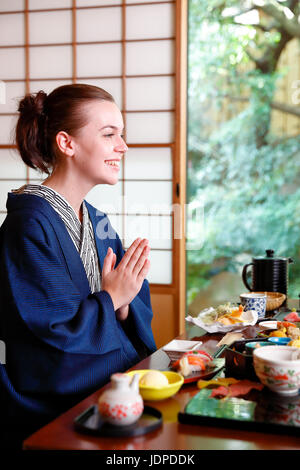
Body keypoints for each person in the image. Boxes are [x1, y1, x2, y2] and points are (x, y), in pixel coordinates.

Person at [0, 84, 156, 448]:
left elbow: (125, 306)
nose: (123, 146)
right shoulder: (30, 222)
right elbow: (43, 327)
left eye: (122, 134)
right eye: (109, 134)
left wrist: (123, 304)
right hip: (56, 405)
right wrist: (111, 297)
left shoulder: (97, 220)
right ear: (66, 144)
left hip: (106, 390)